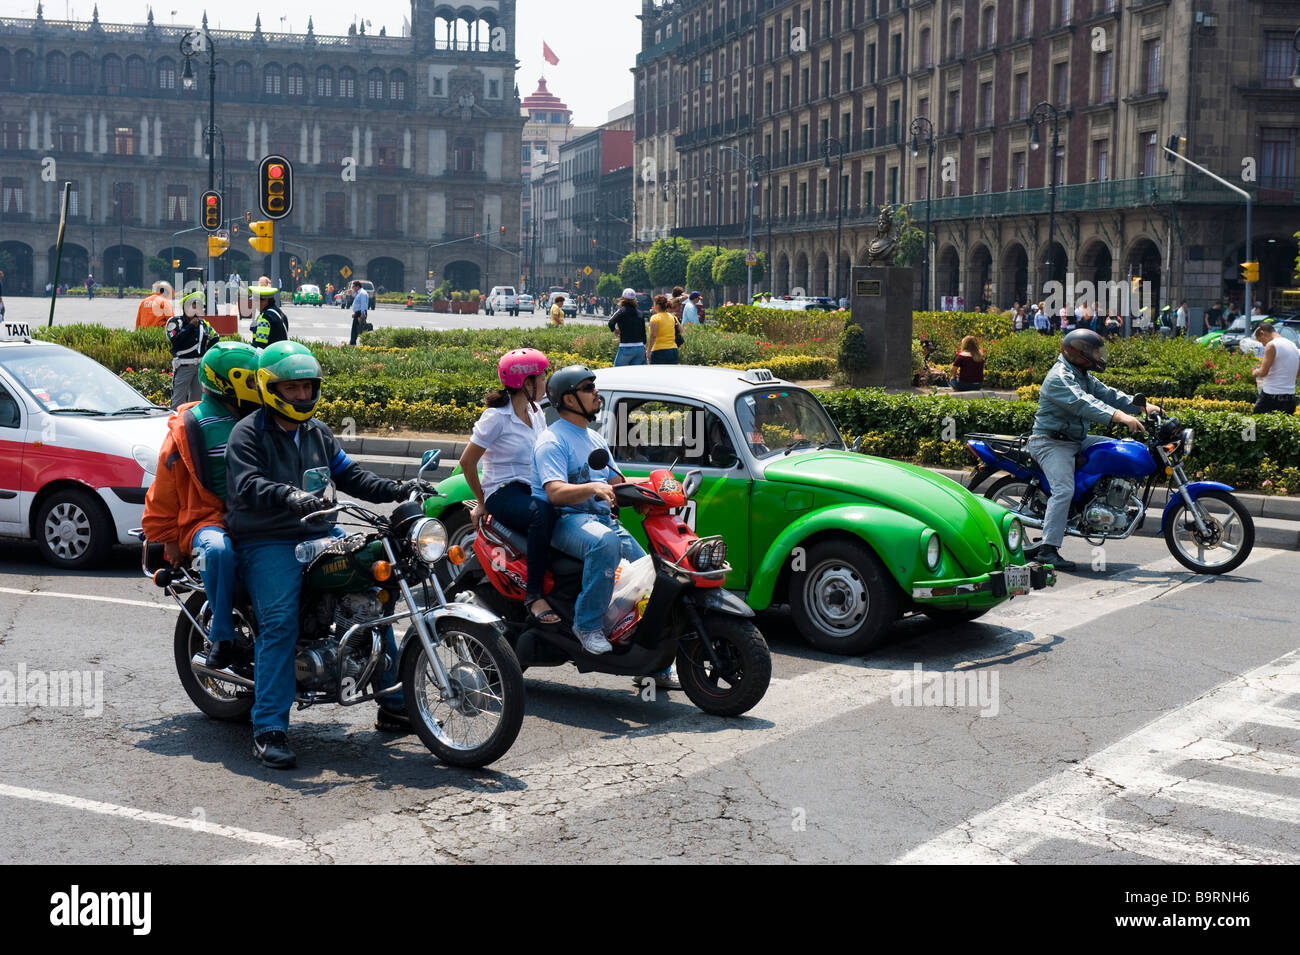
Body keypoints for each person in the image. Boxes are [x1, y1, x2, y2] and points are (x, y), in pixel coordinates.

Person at [225, 341, 424, 768]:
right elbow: (245, 484)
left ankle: (391, 700)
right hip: (268, 538)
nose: (301, 396)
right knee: (279, 622)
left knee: (375, 596)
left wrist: (396, 489)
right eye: (292, 388)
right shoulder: (247, 432)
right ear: (269, 387)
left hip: (321, 531)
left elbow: (349, 473)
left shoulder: (318, 432)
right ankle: (269, 728)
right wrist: (287, 495)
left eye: (307, 388)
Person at [142, 342, 263, 671]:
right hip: (206, 518)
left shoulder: (258, 418)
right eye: (251, 381)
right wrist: (167, 539)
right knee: (218, 551)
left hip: (261, 516)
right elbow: (164, 487)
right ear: (228, 381)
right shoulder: (189, 425)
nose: (258, 388)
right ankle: (221, 636)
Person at [532, 367, 647, 655]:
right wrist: (592, 489)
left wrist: (655, 487)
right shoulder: (553, 440)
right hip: (567, 520)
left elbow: (615, 483)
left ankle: (649, 655)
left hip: (602, 519)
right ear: (569, 400)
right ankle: (586, 625)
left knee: (648, 572)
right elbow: (554, 491)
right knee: (604, 542)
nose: (596, 393)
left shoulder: (594, 439)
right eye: (587, 388)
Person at [1027, 329, 1160, 571]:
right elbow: (1084, 402)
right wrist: (1119, 417)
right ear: (1080, 353)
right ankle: (1047, 550)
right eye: (1095, 351)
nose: (1099, 355)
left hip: (1076, 439)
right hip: (1051, 442)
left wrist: (1142, 406)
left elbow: (1108, 394)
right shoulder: (1061, 377)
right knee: (1063, 489)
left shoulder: (1082, 374)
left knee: (1122, 449)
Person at [460, 350, 560, 624]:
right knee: (542, 514)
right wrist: (481, 501)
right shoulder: (496, 418)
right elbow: (467, 462)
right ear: (527, 384)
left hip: (531, 487)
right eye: (541, 377)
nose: (545, 382)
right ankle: (535, 596)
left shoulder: (536, 411)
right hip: (502, 491)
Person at [167, 291, 220, 410]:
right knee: (178, 401)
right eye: (194, 305)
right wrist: (190, 326)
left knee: (197, 402)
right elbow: (175, 340)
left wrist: (206, 353)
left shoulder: (203, 324)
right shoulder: (176, 322)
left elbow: (215, 337)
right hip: (183, 366)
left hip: (199, 366)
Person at [1250, 321, 1299, 415]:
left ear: (1262, 333)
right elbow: (1298, 373)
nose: (1263, 345)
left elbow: (1263, 372)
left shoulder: (1271, 345)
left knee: (1255, 427)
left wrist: (1255, 372)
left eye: (1261, 341)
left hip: (1270, 398)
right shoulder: (1293, 346)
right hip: (1290, 399)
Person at [608, 288, 646, 366]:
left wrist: (614, 330)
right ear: (635, 299)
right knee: (635, 374)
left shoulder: (621, 311)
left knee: (618, 371)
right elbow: (643, 332)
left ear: (623, 299)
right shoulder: (640, 313)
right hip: (640, 347)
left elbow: (611, 322)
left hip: (626, 346)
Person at [250, 285, 288, 349]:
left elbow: (260, 346)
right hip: (279, 353)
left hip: (270, 357)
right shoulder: (279, 312)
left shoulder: (265, 318)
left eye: (256, 300)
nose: (254, 303)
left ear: (265, 301)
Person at [646, 293, 680, 364]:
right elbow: (681, 330)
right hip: (673, 350)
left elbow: (653, 336)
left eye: (654, 304)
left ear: (658, 305)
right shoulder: (673, 317)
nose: (653, 306)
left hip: (659, 351)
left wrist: (648, 351)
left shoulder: (655, 318)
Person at [348, 280, 370, 346]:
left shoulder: (362, 293)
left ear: (357, 286)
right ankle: (353, 342)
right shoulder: (359, 293)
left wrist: (362, 314)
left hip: (360, 313)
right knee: (357, 328)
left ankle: (352, 343)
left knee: (357, 328)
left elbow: (363, 304)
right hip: (358, 312)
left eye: (353, 287)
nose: (353, 288)